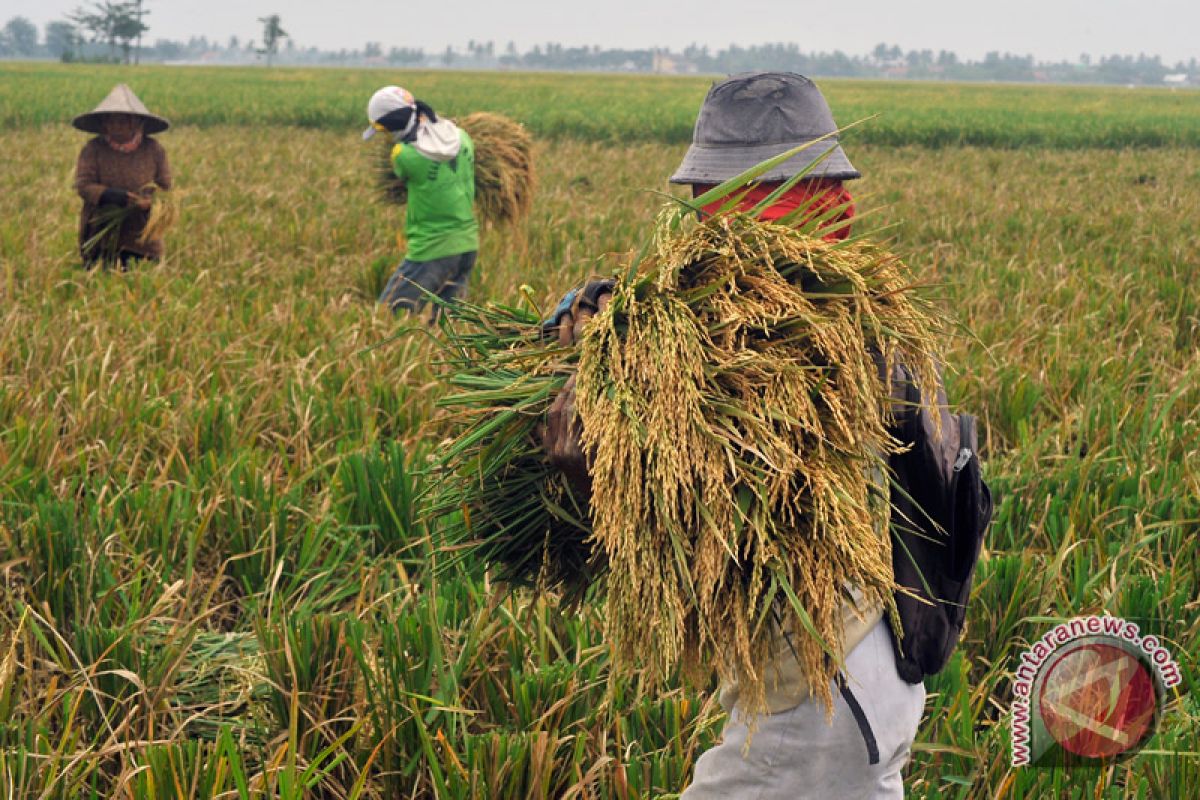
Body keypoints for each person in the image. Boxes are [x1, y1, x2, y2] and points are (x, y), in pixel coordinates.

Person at [544, 73, 928, 799]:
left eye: (717, 201)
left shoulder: (778, 336)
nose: (702, 221)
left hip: (817, 703)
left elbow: (664, 490)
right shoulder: (823, 300)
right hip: (858, 672)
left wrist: (596, 376)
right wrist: (619, 327)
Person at [363, 85, 478, 319]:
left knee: (386, 318)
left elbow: (403, 175)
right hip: (468, 244)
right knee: (448, 325)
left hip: (432, 247)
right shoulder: (463, 138)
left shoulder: (404, 155)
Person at [73, 84, 172, 271]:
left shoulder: (154, 150)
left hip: (143, 239)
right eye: (110, 122)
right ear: (103, 124)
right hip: (102, 234)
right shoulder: (93, 149)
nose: (115, 127)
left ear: (136, 123)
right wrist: (116, 197)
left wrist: (150, 203)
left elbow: (165, 188)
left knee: (143, 286)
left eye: (122, 122)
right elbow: (84, 185)